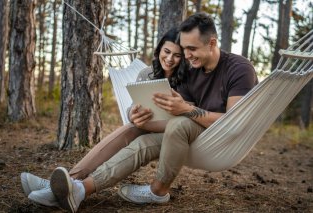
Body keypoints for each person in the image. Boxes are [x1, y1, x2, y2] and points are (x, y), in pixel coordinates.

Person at [44, 12, 258, 212]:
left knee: (179, 123)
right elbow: (173, 109)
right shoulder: (192, 69)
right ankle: (77, 186)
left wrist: (187, 109)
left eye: (191, 49)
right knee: (137, 134)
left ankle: (158, 191)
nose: (187, 55)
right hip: (184, 135)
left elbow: (233, 122)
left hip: (218, 139)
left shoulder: (239, 69)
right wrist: (139, 119)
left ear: (212, 43)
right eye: (184, 49)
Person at [20, 27, 188, 207]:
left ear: (184, 58)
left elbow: (186, 118)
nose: (170, 59)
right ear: (159, 50)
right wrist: (133, 113)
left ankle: (66, 188)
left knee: (137, 132)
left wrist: (145, 122)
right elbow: (133, 106)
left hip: (173, 132)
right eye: (167, 51)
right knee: (130, 127)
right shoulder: (146, 73)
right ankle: (68, 181)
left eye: (177, 55)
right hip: (145, 124)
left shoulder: (188, 79)